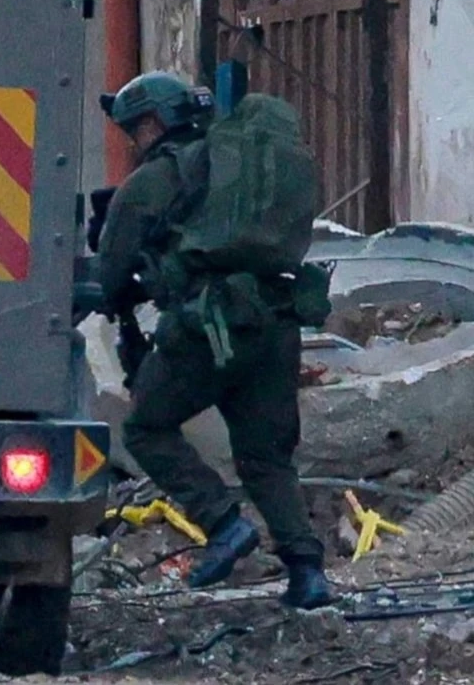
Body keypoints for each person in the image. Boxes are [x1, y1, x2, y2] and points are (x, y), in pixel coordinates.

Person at [77, 71, 335, 610]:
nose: (132, 142)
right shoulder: (238, 173)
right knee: (266, 458)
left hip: (205, 330)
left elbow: (110, 273)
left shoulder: (153, 181)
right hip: (275, 323)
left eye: (135, 130)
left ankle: (223, 524)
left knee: (147, 428)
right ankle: (308, 572)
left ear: (154, 123)